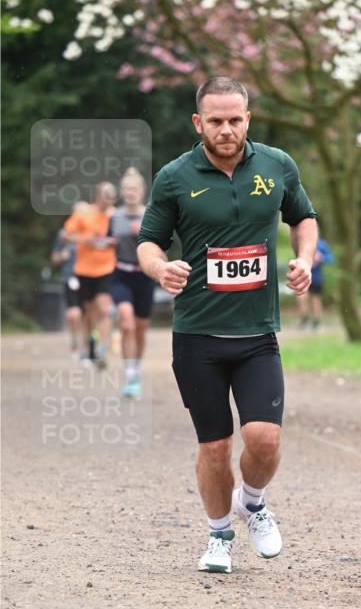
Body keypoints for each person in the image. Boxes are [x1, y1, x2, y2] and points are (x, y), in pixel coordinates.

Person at [137, 76, 317, 575]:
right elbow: (148, 242)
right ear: (199, 122)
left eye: (235, 119)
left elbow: (303, 216)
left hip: (258, 335)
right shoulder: (174, 177)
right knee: (214, 446)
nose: (226, 129)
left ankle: (253, 503)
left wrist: (305, 258)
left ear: (248, 119)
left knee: (264, 439)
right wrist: (161, 268)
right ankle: (219, 536)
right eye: (215, 121)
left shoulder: (277, 165)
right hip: (197, 337)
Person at [109, 167, 154, 399]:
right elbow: (108, 242)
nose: (130, 192)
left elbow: (162, 246)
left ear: (142, 191)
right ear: (121, 191)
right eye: (126, 189)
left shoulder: (150, 215)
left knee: (140, 329)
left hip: (144, 276)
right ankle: (130, 374)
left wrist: (142, 235)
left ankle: (135, 367)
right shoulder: (114, 217)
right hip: (120, 275)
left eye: (134, 188)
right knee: (126, 323)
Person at [63, 182, 117, 367]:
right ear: (97, 195)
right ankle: (87, 350)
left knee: (103, 309)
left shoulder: (114, 215)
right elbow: (66, 235)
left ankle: (103, 348)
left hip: (107, 268)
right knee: (88, 314)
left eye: (111, 196)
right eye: (105, 195)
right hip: (84, 270)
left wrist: (113, 242)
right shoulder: (85, 212)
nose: (108, 199)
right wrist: (87, 239)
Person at [50, 222, 82, 359]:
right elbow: (54, 258)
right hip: (70, 277)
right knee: (73, 315)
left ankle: (91, 346)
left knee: (92, 313)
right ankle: (74, 343)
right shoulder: (63, 234)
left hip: (92, 277)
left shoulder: (94, 232)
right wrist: (62, 256)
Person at [297, 236, 334, 330]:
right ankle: (304, 320)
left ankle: (316, 322)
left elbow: (330, 258)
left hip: (316, 277)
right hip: (302, 275)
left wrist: (321, 258)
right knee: (302, 298)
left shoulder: (321, 244)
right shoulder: (301, 241)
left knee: (315, 300)